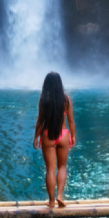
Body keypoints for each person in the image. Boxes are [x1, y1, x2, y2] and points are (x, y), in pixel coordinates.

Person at [32, 71, 76, 209]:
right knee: (62, 166)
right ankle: (60, 196)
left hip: (47, 135)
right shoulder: (66, 100)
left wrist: (36, 137)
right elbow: (71, 120)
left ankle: (51, 202)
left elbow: (40, 121)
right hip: (63, 135)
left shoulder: (43, 100)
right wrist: (73, 136)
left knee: (50, 170)